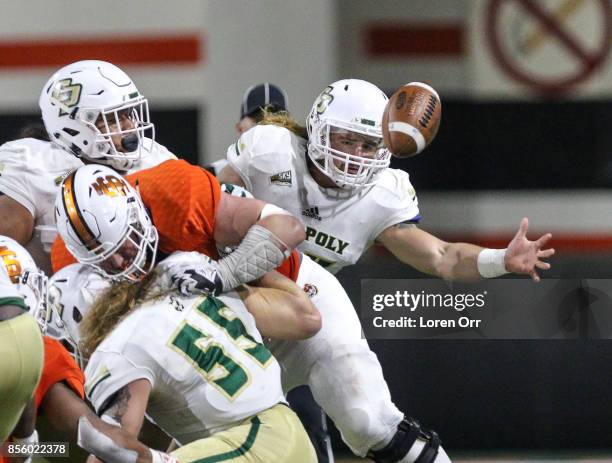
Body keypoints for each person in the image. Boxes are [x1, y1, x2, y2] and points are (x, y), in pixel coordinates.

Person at [51, 257, 317, 462]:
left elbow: (113, 446)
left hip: (257, 445)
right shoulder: (178, 287)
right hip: (283, 437)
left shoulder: (117, 349)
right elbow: (307, 318)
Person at [0, 59, 175, 275]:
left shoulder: (153, 157)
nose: (129, 126)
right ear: (73, 125)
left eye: (128, 113)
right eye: (112, 118)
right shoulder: (35, 164)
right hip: (60, 300)